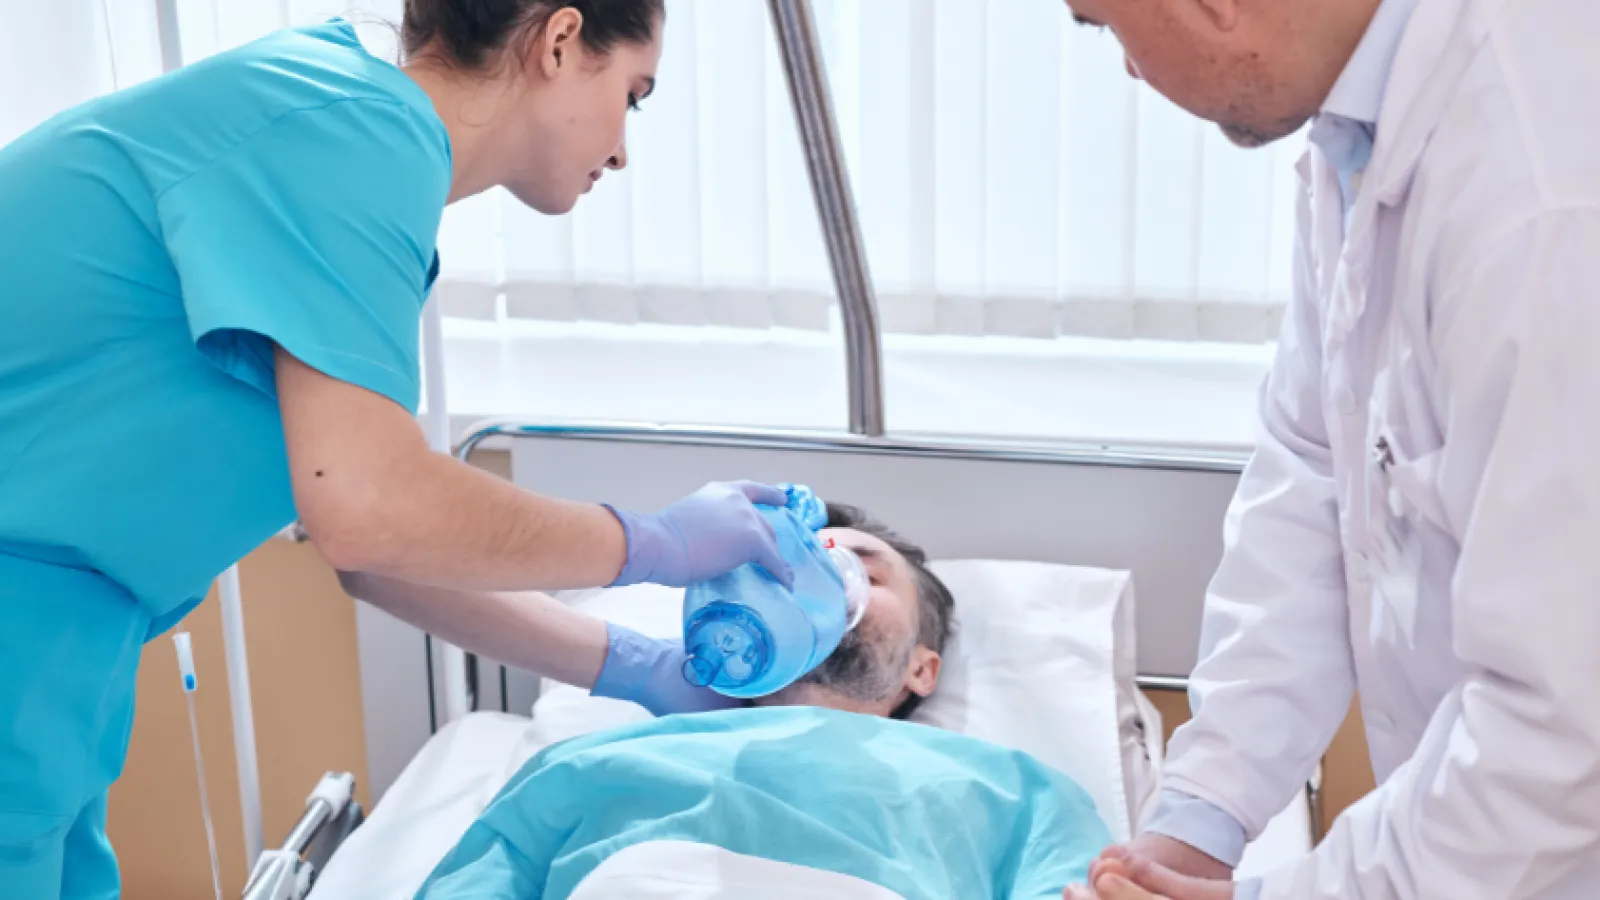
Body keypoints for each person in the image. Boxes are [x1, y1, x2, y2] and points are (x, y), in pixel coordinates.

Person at [0, 3, 793, 896]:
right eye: (632, 95)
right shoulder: (353, 133)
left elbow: (381, 553)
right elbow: (370, 512)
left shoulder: (343, 133)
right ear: (561, 40)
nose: (620, 150)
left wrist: (631, 666)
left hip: (59, 660)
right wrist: (655, 543)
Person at [1056, 0, 1600, 898]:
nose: (1129, 67)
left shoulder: (1543, 198)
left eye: (1103, 22)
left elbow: (1565, 722)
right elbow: (1319, 464)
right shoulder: (1367, 126)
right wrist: (1199, 815)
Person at [343, 502, 958, 720]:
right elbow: (373, 564)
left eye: (866, 573)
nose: (825, 580)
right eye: (801, 567)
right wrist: (648, 550)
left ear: (922, 671)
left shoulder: (977, 785)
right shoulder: (665, 723)